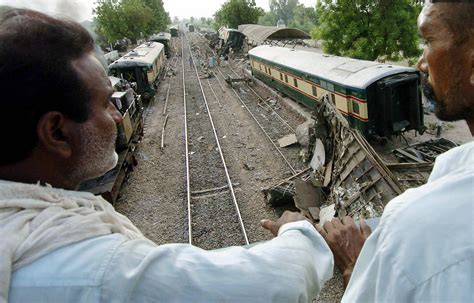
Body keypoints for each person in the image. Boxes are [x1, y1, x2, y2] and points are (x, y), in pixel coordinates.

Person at [0, 8, 333, 303]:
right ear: (56, 132)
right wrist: (298, 233)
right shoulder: (98, 270)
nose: (117, 116)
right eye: (104, 104)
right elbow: (273, 283)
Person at [317, 1, 474, 302]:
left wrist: (357, 269)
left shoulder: (411, 228)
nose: (421, 62)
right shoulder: (451, 164)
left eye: (428, 41)